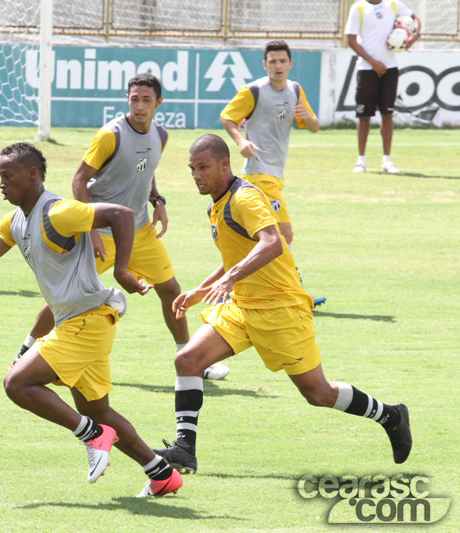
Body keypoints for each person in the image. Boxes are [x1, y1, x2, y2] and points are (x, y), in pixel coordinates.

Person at [0, 142, 184, 497]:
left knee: (18, 384)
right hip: (79, 322)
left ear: (32, 174)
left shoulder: (57, 212)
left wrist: (120, 269)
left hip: (88, 320)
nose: (1, 183)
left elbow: (120, 214)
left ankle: (92, 436)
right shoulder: (15, 221)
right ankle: (162, 474)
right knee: (98, 411)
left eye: (7, 176)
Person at [154, 134, 411, 475]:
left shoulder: (244, 198)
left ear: (224, 164)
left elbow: (272, 243)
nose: (197, 175)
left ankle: (391, 415)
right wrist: (202, 289)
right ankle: (185, 449)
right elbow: (236, 253)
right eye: (192, 169)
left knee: (317, 393)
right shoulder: (217, 203)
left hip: (281, 309)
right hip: (244, 307)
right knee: (187, 360)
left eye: (203, 167)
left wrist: (228, 280)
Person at [15, 73, 229, 380]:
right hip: (101, 233)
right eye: (134, 100)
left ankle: (192, 358)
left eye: (146, 100)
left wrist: (158, 200)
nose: (140, 106)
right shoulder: (110, 135)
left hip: (139, 230)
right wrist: (89, 230)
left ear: (159, 103)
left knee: (170, 289)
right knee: (70, 298)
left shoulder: (161, 135)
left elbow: (146, 169)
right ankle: (25, 352)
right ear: (127, 100)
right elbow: (79, 179)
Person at [221, 40, 325, 307]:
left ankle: (235, 289)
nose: (278, 66)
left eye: (282, 61)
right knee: (282, 235)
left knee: (259, 239)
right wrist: (240, 141)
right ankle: (293, 289)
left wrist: (307, 117)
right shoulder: (253, 90)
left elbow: (312, 126)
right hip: (258, 174)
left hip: (276, 175)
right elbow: (227, 117)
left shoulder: (295, 90)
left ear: (290, 63)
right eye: (273, 61)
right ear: (265, 64)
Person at [345, 0, 421, 174]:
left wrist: (414, 35)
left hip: (390, 68)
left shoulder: (393, 4)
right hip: (367, 69)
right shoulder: (358, 8)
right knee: (364, 115)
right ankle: (361, 160)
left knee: (387, 114)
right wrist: (373, 63)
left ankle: (387, 160)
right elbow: (351, 39)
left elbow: (415, 18)